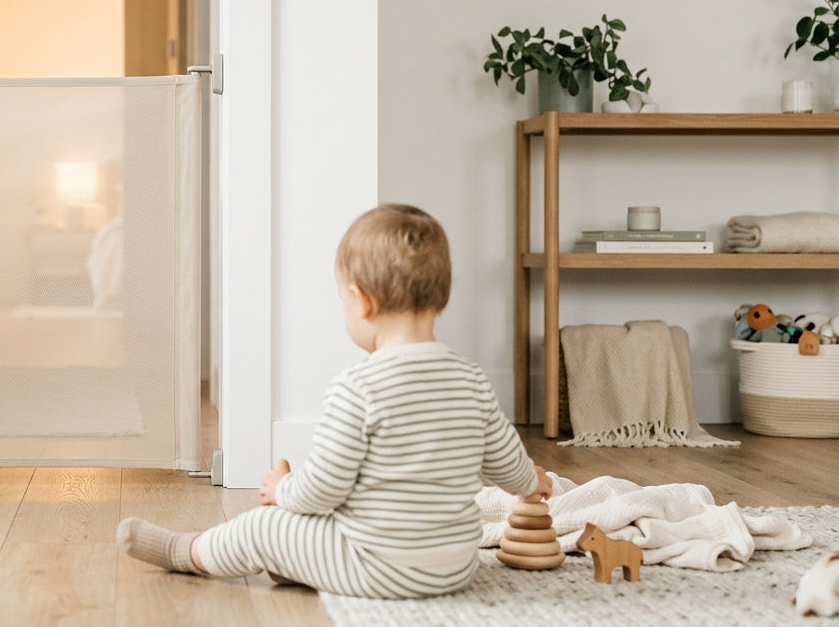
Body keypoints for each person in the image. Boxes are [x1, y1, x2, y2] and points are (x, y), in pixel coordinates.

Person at [117, 203, 553, 598]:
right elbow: (506, 463)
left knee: (264, 526)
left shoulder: (358, 386)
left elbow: (322, 492)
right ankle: (303, 563)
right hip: (456, 567)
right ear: (441, 297)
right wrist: (533, 483)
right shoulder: (470, 378)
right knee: (314, 531)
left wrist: (281, 489)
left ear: (360, 301)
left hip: (379, 568)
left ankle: (187, 550)